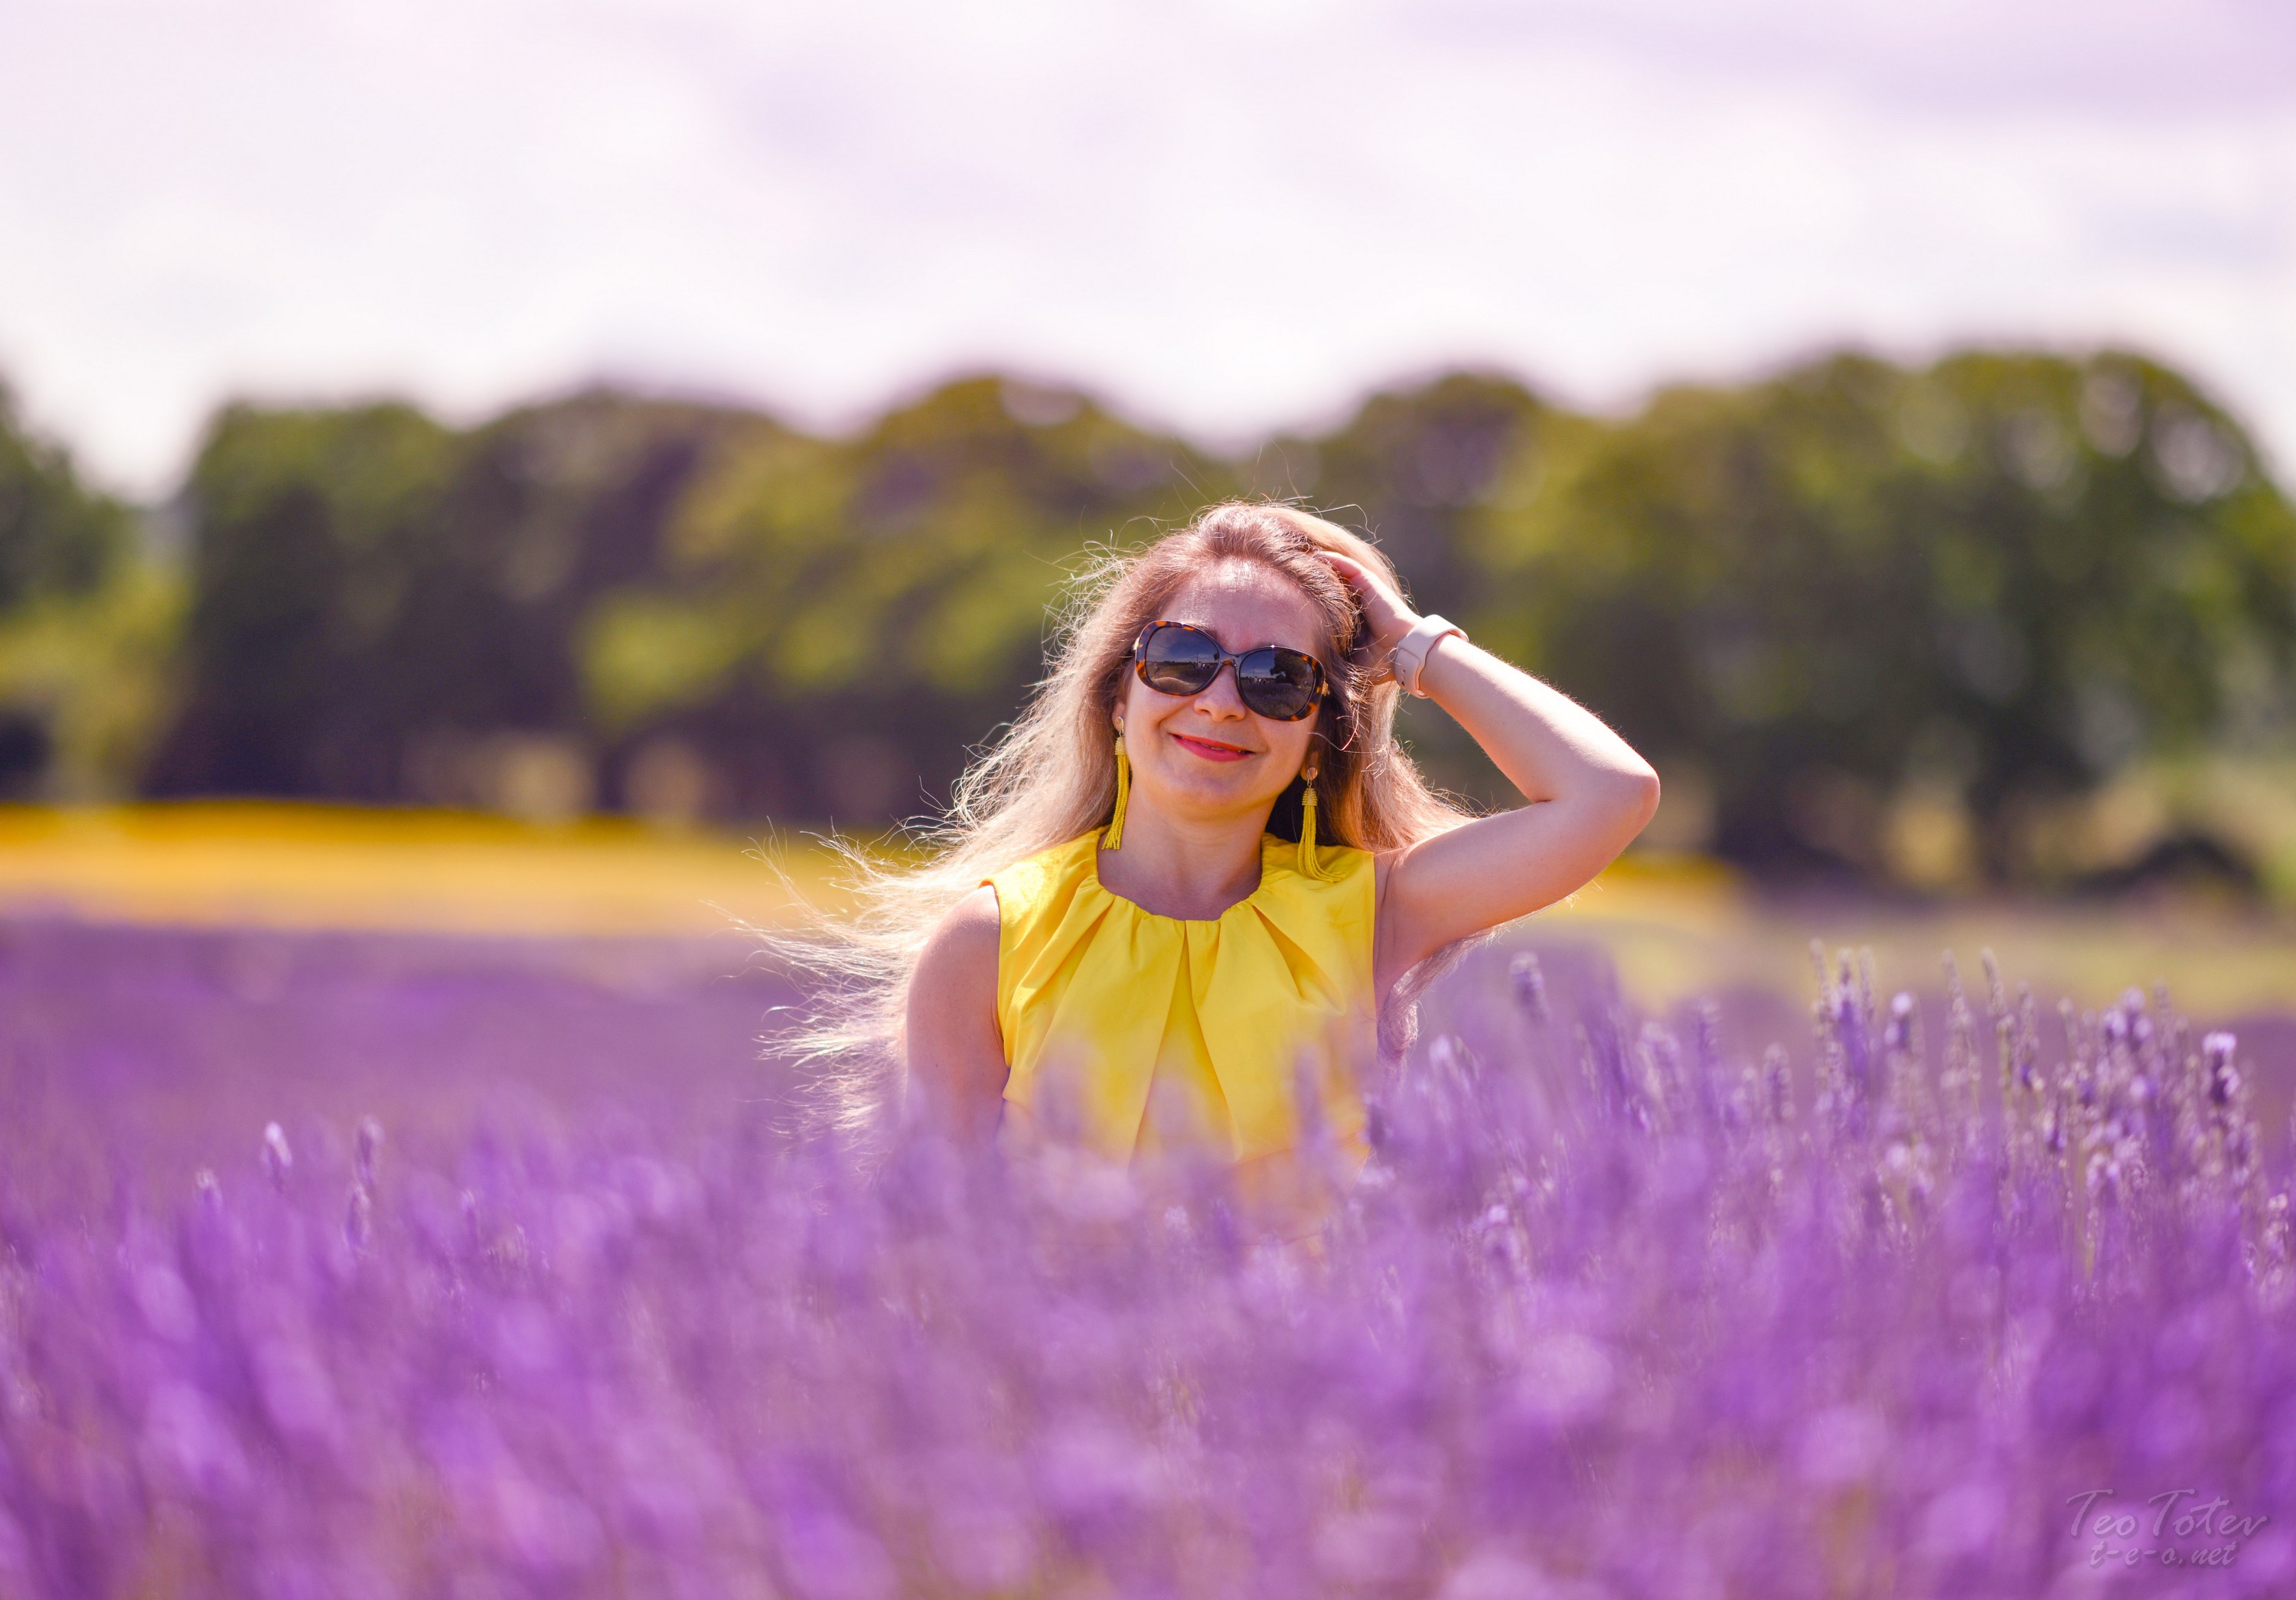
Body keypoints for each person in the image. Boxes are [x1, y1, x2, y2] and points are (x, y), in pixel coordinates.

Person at [811, 502, 1658, 1175]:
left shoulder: (1368, 911)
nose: (1220, 702)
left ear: (1318, 738)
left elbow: (1609, 795)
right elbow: (944, 1243)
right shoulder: (993, 939)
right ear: (1117, 698)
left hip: (1310, 1392)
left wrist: (1410, 645)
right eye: (1183, 658)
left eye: (1278, 679)